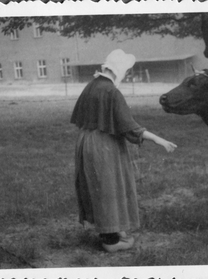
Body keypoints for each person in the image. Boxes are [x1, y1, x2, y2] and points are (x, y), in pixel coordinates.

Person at [71, 49, 177, 253]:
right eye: (126, 71)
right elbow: (129, 126)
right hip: (103, 144)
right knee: (108, 188)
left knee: (99, 187)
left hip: (87, 141)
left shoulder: (92, 85)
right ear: (118, 70)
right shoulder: (111, 91)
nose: (127, 75)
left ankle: (112, 231)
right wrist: (158, 139)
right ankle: (110, 240)